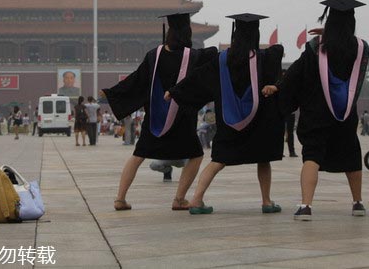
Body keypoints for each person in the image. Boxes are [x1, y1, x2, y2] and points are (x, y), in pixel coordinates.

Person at [265, 0, 369, 221]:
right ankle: (358, 203)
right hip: (345, 114)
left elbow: (296, 72)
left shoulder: (315, 48)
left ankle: (306, 206)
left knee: (312, 156)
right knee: (351, 155)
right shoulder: (361, 48)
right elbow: (345, 44)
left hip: (316, 114)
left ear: (329, 21)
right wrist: (334, 33)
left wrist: (278, 86)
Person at [168, 13, 284, 215]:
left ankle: (196, 200)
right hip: (258, 123)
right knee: (263, 158)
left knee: (217, 161)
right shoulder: (263, 59)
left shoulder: (221, 61)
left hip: (228, 123)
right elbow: (277, 52)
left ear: (235, 35)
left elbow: (198, 78)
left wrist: (175, 91)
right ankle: (266, 201)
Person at [103, 13, 217, 211]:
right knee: (196, 155)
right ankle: (179, 199)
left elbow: (136, 80)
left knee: (138, 155)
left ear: (170, 32)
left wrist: (112, 93)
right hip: (182, 120)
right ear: (187, 32)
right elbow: (210, 65)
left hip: (155, 119)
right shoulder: (194, 57)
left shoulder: (152, 56)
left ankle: (120, 198)